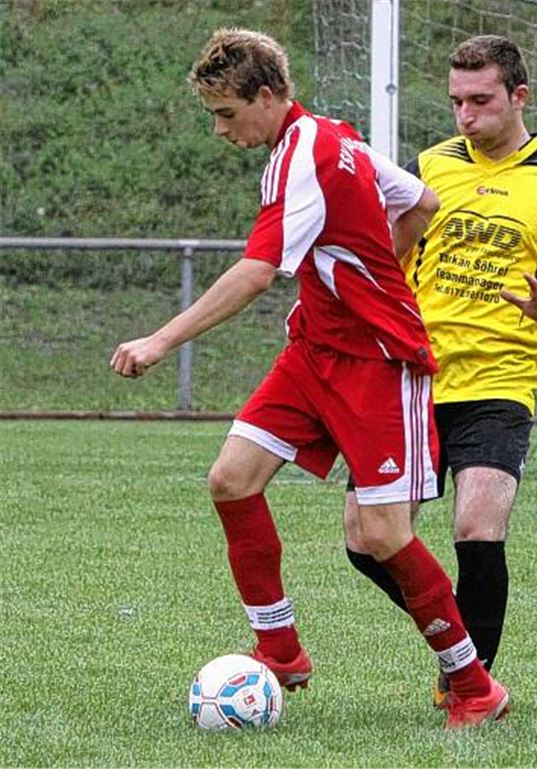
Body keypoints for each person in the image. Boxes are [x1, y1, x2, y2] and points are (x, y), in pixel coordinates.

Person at [110, 27, 508, 728]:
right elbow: (420, 202)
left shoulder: (304, 156)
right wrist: (355, 272)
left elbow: (258, 273)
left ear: (267, 97)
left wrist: (160, 339)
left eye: (228, 113)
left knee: (383, 533)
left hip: (380, 362)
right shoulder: (337, 137)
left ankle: (474, 684)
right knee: (231, 478)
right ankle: (280, 647)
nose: (221, 130)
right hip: (314, 351)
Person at [342, 34, 537, 704]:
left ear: (518, 96)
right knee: (363, 538)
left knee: (477, 527)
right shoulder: (425, 170)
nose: (465, 115)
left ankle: (468, 688)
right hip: (412, 378)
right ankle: (459, 642)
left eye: (480, 100)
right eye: (455, 102)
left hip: (500, 383)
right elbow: (383, 256)